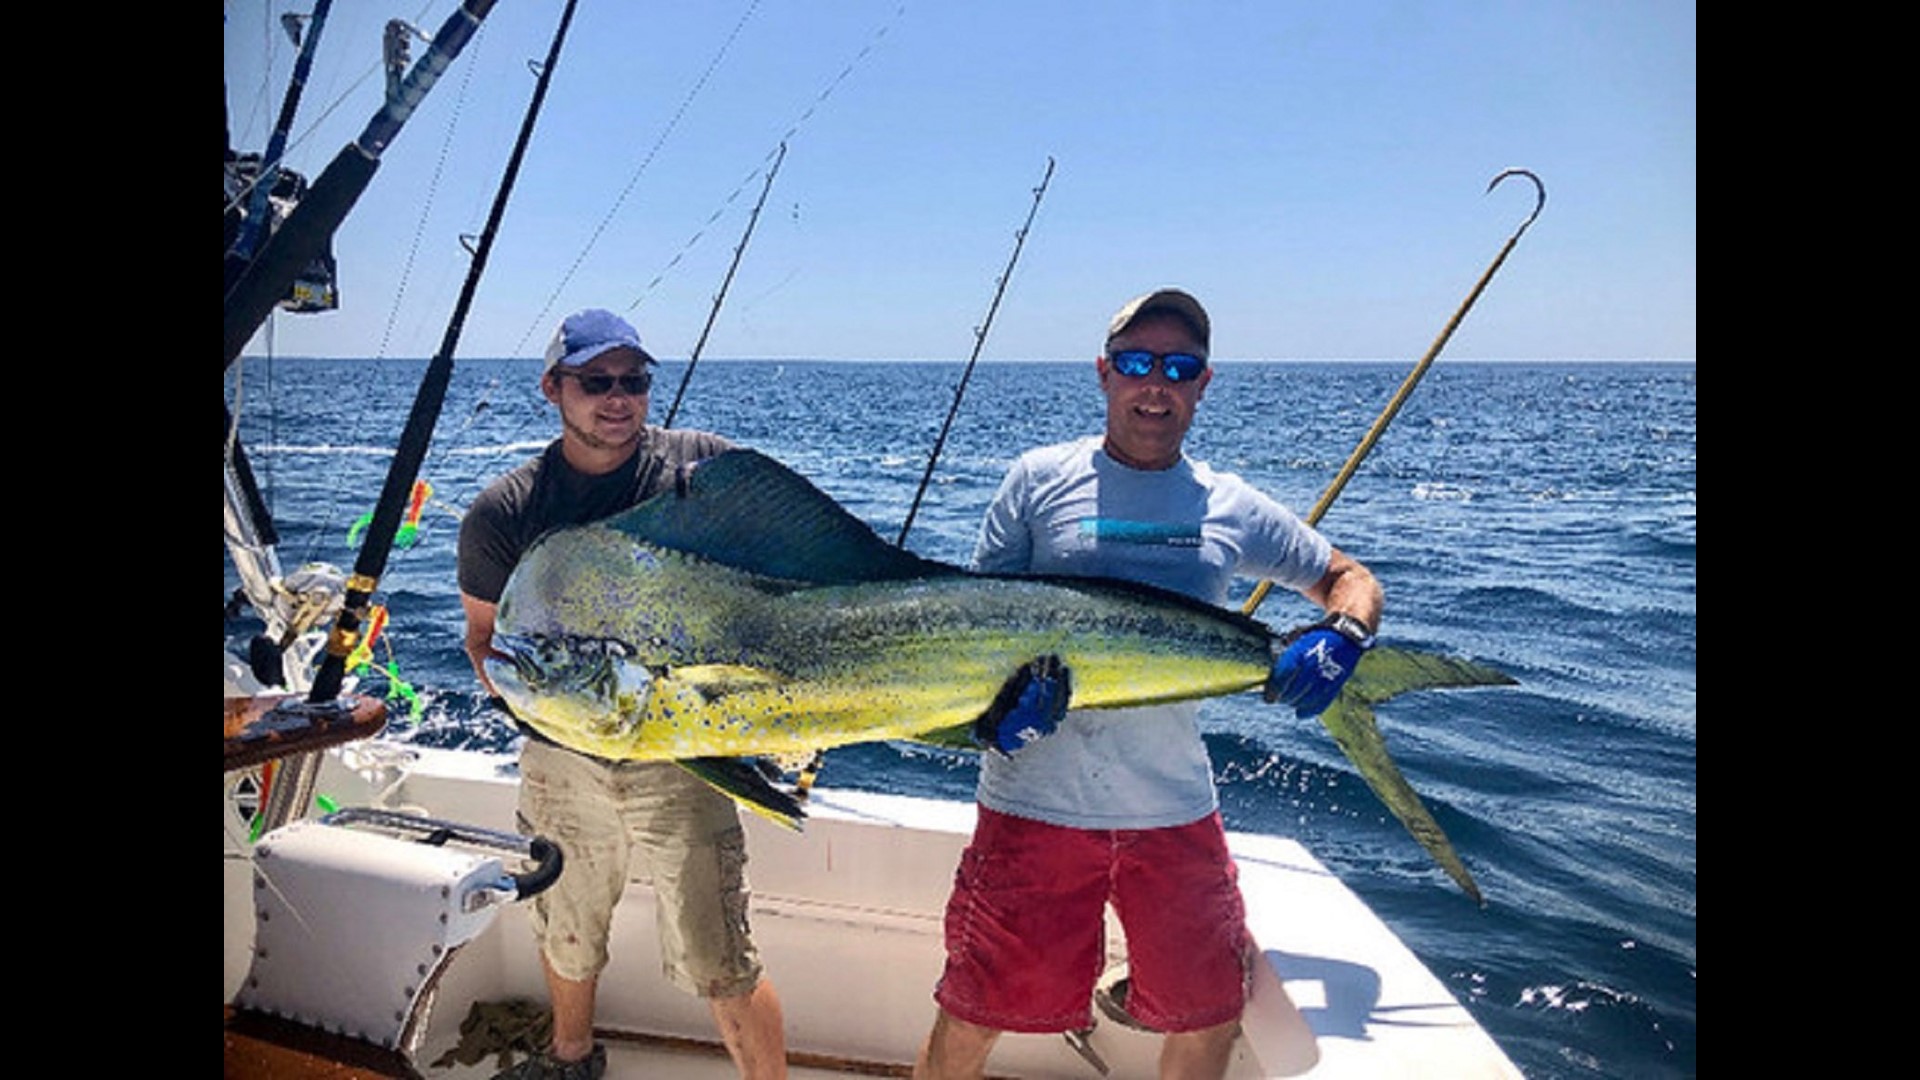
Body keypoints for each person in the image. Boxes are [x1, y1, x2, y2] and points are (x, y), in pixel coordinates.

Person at [913, 288, 1384, 1080]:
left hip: (1173, 812)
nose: (1155, 385)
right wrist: (994, 720)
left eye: (1179, 367)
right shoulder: (1036, 481)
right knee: (972, 1014)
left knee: (1208, 1014)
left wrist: (1344, 635)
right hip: (1033, 805)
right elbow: (977, 630)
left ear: (1204, 383)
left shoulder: (1228, 503)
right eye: (1136, 364)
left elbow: (1350, 578)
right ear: (1104, 374)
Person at [458, 308, 788, 1080]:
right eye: (596, 381)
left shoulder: (702, 469)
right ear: (553, 388)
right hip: (563, 761)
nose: (618, 398)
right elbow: (485, 643)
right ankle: (571, 1058)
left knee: (719, 954)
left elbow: (785, 553)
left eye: (633, 381)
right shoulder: (506, 511)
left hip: (681, 752)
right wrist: (563, 713)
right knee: (565, 926)